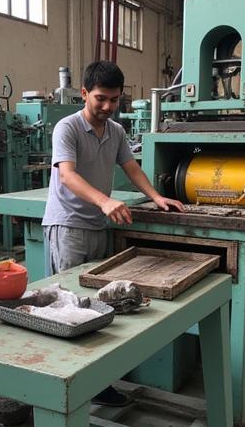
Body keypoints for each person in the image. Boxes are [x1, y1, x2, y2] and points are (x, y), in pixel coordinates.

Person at [42, 61, 185, 403]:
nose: (107, 107)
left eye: (114, 100)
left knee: (95, 306)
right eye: (100, 99)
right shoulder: (67, 128)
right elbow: (68, 176)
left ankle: (94, 384)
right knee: (67, 308)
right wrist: (105, 201)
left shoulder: (116, 132)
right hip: (68, 226)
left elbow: (131, 166)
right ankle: (60, 388)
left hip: (97, 226)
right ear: (84, 94)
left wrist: (157, 197)